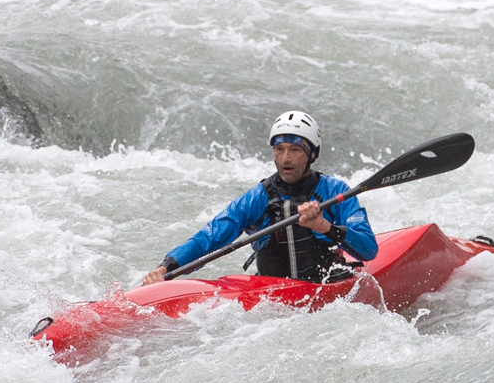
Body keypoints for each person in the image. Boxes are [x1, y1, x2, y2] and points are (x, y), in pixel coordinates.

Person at [142, 111, 379, 284]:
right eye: (279, 149)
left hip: (328, 289)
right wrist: (167, 267)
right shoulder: (257, 199)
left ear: (312, 154)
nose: (285, 158)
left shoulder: (335, 192)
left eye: (295, 150)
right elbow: (209, 238)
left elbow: (368, 250)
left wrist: (323, 226)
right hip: (272, 300)